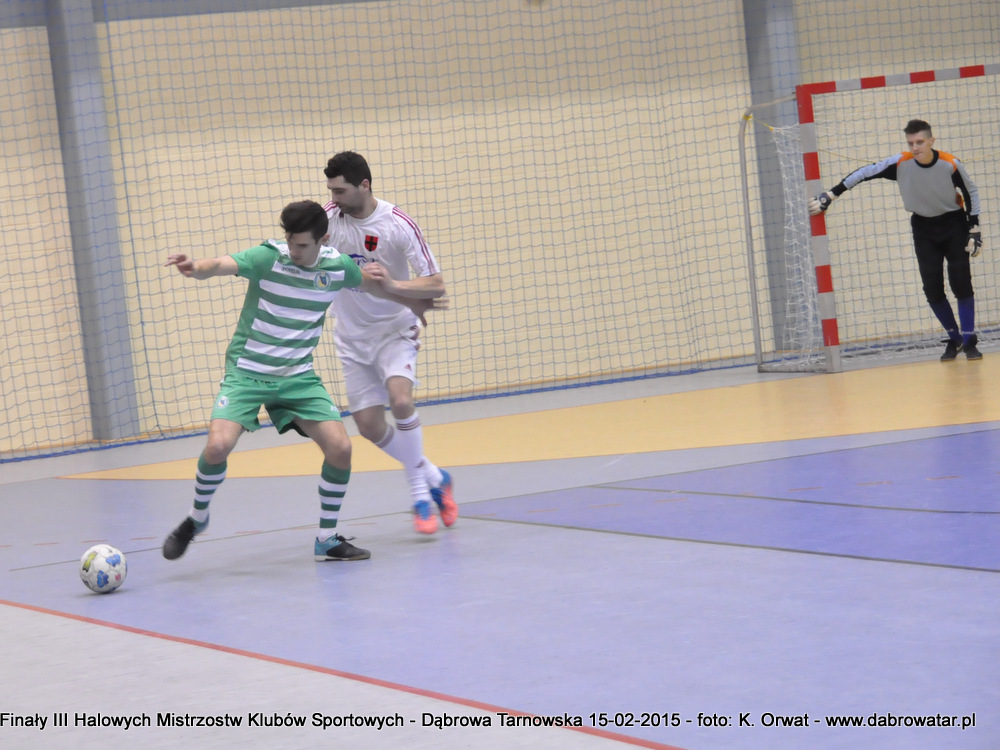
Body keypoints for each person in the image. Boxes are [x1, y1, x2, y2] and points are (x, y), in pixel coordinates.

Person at [161, 200, 441, 562]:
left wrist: (411, 303)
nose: (294, 251)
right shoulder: (268, 258)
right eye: (291, 242)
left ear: (324, 240)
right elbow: (218, 265)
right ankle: (197, 519)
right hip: (248, 373)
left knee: (340, 448)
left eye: (303, 245)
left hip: (297, 378)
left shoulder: (337, 267)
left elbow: (374, 287)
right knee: (217, 447)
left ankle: (327, 538)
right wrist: (194, 267)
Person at [322, 151, 456, 535]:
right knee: (368, 427)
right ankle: (436, 477)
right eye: (330, 191)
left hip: (395, 330)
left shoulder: (397, 223)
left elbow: (436, 284)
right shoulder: (327, 219)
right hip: (352, 337)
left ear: (364, 185)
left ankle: (419, 495)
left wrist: (394, 285)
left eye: (340, 190)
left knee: (400, 401)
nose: (333, 198)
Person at [809, 119, 984, 361]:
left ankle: (970, 341)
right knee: (932, 289)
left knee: (961, 282)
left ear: (931, 141)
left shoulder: (950, 164)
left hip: (954, 225)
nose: (915, 147)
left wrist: (974, 229)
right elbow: (865, 172)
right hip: (923, 228)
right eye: (911, 143)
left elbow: (970, 191)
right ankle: (955, 340)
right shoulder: (901, 163)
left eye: (920, 142)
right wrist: (831, 195)